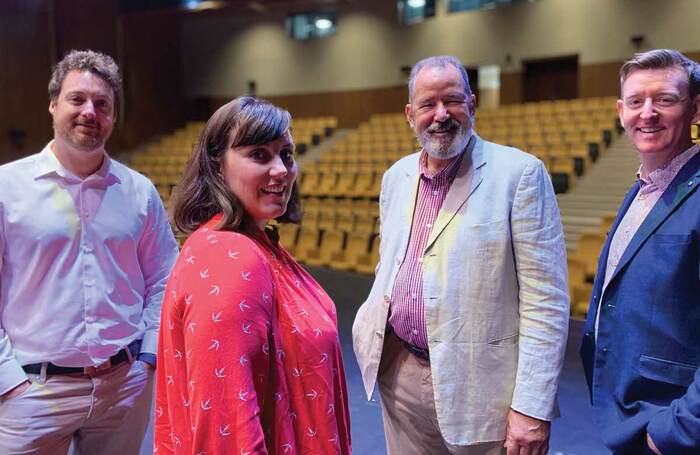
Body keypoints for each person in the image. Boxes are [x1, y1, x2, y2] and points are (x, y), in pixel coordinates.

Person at [352, 55, 570, 455]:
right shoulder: (396, 177)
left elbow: (546, 302)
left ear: (472, 103)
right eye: (427, 104)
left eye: (452, 101)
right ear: (409, 114)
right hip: (400, 377)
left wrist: (532, 407)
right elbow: (393, 263)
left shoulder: (519, 174)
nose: (441, 115)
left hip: (484, 390)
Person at [0, 49, 178, 454]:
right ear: (52, 104)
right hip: (33, 390)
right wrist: (7, 379)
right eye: (77, 99)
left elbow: (165, 277)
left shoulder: (138, 192)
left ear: (113, 117)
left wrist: (147, 356)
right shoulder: (6, 188)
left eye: (103, 104)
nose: (89, 112)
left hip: (123, 386)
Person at [153, 96, 352, 454]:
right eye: (259, 154)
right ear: (217, 168)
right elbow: (226, 431)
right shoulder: (228, 256)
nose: (281, 170)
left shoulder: (258, 244)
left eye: (286, 155)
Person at [580, 49, 700, 454]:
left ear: (696, 108)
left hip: (672, 426)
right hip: (629, 413)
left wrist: (676, 431)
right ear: (620, 111)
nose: (647, 113)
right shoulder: (641, 190)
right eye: (635, 101)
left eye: (665, 99)